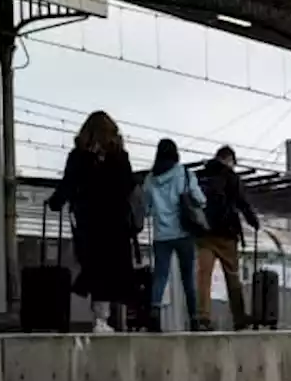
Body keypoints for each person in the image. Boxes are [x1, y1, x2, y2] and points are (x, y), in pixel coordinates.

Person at [46, 110, 138, 334]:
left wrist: (55, 202)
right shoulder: (119, 156)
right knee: (112, 270)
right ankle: (104, 319)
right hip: (115, 223)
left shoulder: (78, 156)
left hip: (88, 222)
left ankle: (100, 318)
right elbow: (128, 186)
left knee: (94, 267)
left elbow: (68, 184)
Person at [140, 138, 203, 331]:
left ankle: (154, 313)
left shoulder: (150, 179)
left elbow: (147, 209)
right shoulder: (184, 173)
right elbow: (200, 199)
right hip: (184, 233)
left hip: (161, 236)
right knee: (188, 278)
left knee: (160, 276)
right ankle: (194, 319)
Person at [195, 145, 259, 331]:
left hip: (204, 234)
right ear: (229, 159)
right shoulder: (231, 177)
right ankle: (239, 318)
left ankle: (203, 317)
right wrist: (253, 221)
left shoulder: (201, 175)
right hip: (226, 234)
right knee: (232, 276)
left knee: (203, 276)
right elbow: (242, 202)